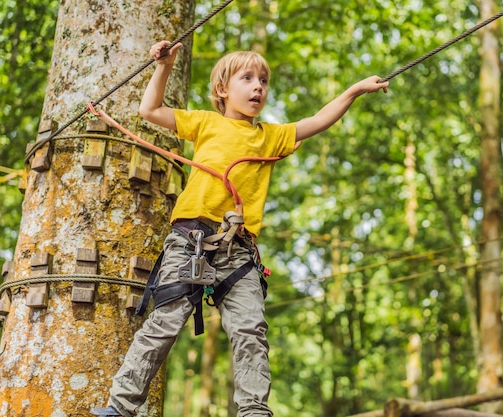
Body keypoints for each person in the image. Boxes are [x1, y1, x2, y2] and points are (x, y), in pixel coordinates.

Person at [91, 40, 388, 417]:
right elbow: (149, 110)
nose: (258, 87)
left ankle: (253, 411)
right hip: (190, 240)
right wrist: (164, 66)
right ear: (223, 90)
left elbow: (317, 121)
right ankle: (120, 406)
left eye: (263, 80)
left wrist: (354, 90)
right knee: (165, 321)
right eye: (247, 78)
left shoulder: (271, 136)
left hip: (239, 249)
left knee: (250, 330)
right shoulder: (205, 122)